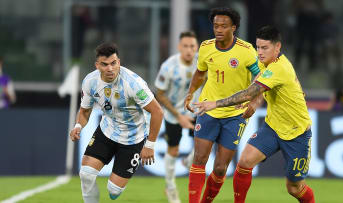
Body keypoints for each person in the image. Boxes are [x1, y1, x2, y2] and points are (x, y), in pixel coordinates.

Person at [194, 25, 315, 203]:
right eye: (258, 47)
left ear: (278, 47)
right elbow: (257, 83)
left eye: (264, 48)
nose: (259, 52)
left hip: (297, 133)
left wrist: (216, 103)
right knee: (244, 162)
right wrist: (254, 101)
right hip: (273, 127)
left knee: (294, 188)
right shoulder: (264, 62)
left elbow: (251, 91)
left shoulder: (280, 68)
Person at [70, 42, 164, 203]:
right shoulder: (90, 82)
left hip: (133, 139)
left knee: (113, 192)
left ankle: (117, 183)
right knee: (85, 174)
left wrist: (150, 145)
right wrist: (78, 125)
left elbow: (157, 112)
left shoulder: (133, 83)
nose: (110, 69)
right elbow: (85, 111)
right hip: (107, 132)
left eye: (113, 63)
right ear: (97, 65)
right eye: (105, 65)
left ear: (119, 62)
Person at [184, 7, 260, 203]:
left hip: (235, 114)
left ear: (233, 28)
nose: (218, 29)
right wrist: (190, 93)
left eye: (223, 26)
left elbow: (261, 78)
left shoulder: (246, 51)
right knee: (199, 159)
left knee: (220, 168)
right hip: (207, 109)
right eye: (216, 25)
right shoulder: (206, 47)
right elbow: (200, 73)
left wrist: (255, 100)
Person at [154, 31, 199, 203]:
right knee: (174, 149)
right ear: (179, 47)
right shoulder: (169, 66)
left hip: (195, 110)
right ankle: (170, 186)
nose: (189, 50)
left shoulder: (201, 63)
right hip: (174, 115)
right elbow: (160, 94)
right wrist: (178, 116)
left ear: (196, 48)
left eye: (192, 46)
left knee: (204, 147)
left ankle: (189, 162)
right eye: (185, 46)